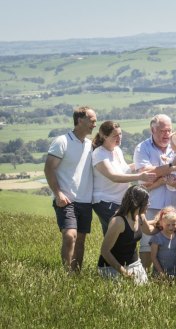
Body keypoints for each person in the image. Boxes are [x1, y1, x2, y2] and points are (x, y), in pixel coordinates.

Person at [133, 114, 176, 269]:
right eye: (162, 131)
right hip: (152, 205)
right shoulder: (142, 148)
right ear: (152, 130)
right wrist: (171, 167)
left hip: (175, 205)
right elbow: (147, 175)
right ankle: (144, 278)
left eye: (169, 130)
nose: (167, 134)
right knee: (147, 243)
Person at [44, 106, 97, 272]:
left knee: (80, 239)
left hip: (85, 200)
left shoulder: (91, 145)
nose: (94, 125)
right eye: (92, 121)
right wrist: (58, 193)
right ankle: (66, 275)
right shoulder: (62, 141)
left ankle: (76, 275)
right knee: (70, 235)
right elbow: (48, 168)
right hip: (66, 198)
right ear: (80, 120)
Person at [92, 120, 156, 235]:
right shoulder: (99, 154)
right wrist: (140, 176)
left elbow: (125, 169)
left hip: (119, 201)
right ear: (105, 137)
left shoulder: (117, 150)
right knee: (120, 234)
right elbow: (114, 177)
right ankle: (108, 253)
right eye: (115, 135)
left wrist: (142, 165)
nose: (119, 137)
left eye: (120, 134)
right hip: (105, 201)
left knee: (122, 235)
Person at [97, 185, 149, 284]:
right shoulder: (118, 221)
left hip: (134, 264)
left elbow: (149, 229)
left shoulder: (139, 217)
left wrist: (163, 222)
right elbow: (105, 251)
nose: (148, 204)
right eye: (146, 202)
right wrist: (123, 272)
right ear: (138, 204)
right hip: (112, 267)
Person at [149, 207, 176, 278]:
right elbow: (153, 257)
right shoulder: (157, 237)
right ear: (162, 223)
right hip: (160, 274)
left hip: (175, 273)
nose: (171, 227)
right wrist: (161, 273)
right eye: (168, 225)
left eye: (173, 224)